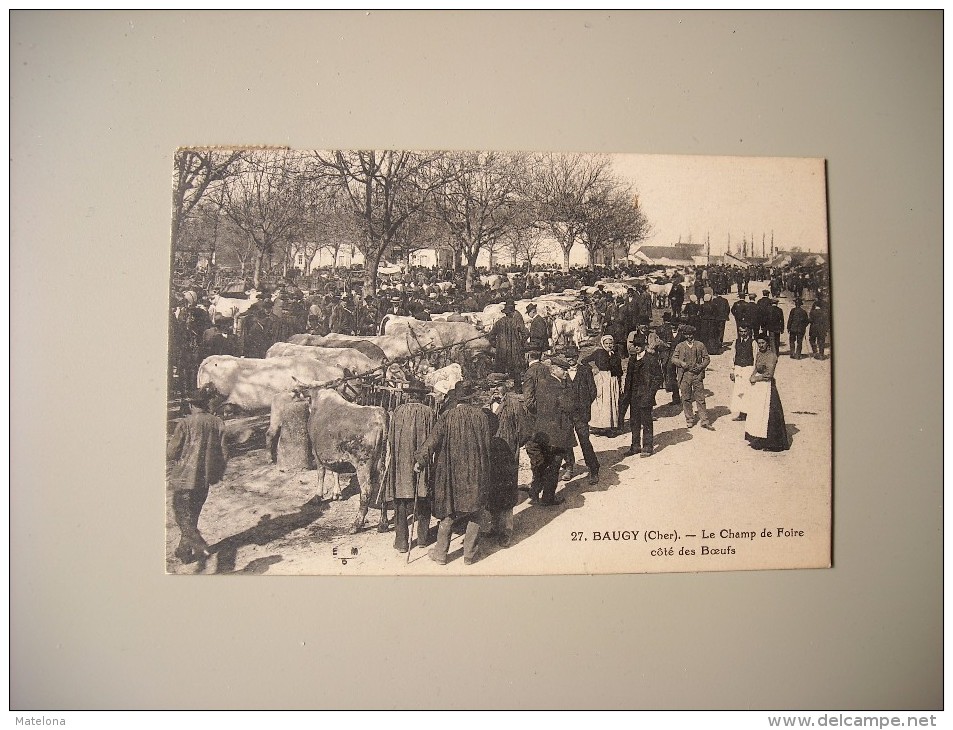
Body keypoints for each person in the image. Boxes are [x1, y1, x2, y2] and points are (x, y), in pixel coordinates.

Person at [414, 381, 491, 565]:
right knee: (475, 511)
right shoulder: (481, 417)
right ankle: (469, 555)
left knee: (449, 511)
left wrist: (420, 461)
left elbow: (432, 441)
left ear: (456, 398)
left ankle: (441, 554)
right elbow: (487, 446)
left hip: (450, 471)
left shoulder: (447, 416)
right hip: (474, 470)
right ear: (471, 398)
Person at [167, 387, 229, 564]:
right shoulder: (217, 423)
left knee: (181, 515)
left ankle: (191, 548)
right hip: (204, 479)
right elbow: (224, 453)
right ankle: (183, 550)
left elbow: (171, 452)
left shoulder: (185, 424)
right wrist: (218, 472)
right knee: (193, 514)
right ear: (206, 404)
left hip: (184, 478)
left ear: (191, 404)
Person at [385, 384, 436, 554]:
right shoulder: (428, 412)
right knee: (423, 496)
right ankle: (422, 538)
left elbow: (390, 439)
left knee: (400, 501)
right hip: (421, 463)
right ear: (421, 396)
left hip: (401, 463)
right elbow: (433, 440)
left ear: (408, 395)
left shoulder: (398, 412)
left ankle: (401, 542)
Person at [523, 356, 577, 506]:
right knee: (554, 465)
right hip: (557, 431)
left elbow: (534, 404)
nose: (566, 372)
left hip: (543, 430)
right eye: (563, 369)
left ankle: (534, 492)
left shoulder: (543, 383)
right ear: (554, 369)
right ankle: (548, 498)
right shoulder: (558, 387)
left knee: (544, 463)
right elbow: (569, 406)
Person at [560, 347, 600, 485]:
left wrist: (584, 405)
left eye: (572, 356)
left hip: (581, 414)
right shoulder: (562, 372)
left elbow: (593, 391)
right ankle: (569, 467)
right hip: (566, 414)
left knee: (584, 441)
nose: (570, 359)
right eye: (567, 357)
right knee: (566, 441)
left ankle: (593, 469)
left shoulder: (585, 371)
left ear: (577, 356)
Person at [744, 334, 791, 451]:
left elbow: (769, 374)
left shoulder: (772, 356)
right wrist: (752, 375)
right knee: (758, 412)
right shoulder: (759, 353)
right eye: (759, 343)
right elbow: (756, 366)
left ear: (767, 344)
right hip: (759, 388)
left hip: (769, 388)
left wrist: (756, 378)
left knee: (770, 414)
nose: (761, 345)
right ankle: (760, 438)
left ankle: (773, 443)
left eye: (763, 343)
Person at [621, 335, 663, 457]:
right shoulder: (632, 359)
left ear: (644, 345)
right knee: (634, 421)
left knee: (646, 421)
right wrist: (626, 394)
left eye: (639, 345)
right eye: (635, 345)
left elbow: (658, 377)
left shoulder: (651, 359)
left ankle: (647, 447)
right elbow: (628, 378)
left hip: (645, 395)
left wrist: (651, 393)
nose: (637, 347)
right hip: (633, 395)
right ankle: (635, 446)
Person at [671, 325, 714, 431]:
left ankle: (704, 420)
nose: (689, 336)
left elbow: (707, 358)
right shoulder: (680, 346)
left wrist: (701, 366)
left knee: (700, 398)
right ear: (684, 335)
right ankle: (689, 419)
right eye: (686, 334)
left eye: (691, 334)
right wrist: (681, 363)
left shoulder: (700, 345)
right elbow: (673, 358)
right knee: (686, 398)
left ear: (693, 334)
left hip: (697, 375)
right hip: (685, 375)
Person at [583, 334, 623, 435]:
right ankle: (600, 426)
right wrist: (593, 368)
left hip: (612, 380)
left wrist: (619, 381)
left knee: (611, 401)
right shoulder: (599, 352)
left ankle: (609, 426)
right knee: (602, 402)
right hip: (602, 379)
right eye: (606, 343)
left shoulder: (615, 354)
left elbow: (619, 369)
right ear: (602, 344)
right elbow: (584, 361)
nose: (609, 345)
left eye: (610, 343)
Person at [488, 300, 528, 386]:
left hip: (501, 350)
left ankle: (500, 388)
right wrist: (520, 342)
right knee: (516, 370)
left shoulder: (499, 323)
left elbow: (491, 335)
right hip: (514, 350)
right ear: (512, 312)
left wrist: (496, 345)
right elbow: (526, 333)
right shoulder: (516, 322)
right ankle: (517, 388)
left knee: (500, 370)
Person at [730, 324, 756, 421]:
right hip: (738, 369)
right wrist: (732, 371)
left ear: (748, 331)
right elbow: (732, 356)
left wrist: (753, 373)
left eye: (745, 331)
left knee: (748, 391)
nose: (743, 333)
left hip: (748, 369)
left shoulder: (753, 343)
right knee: (738, 392)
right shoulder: (735, 342)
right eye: (741, 331)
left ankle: (748, 413)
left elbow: (755, 358)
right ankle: (741, 413)